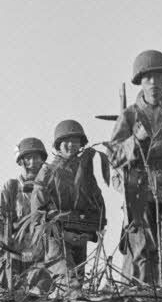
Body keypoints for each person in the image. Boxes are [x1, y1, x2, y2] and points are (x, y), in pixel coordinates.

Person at [108, 50, 162, 286]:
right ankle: (146, 297)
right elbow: (113, 156)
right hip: (141, 188)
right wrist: (136, 141)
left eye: (158, 77)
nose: (154, 83)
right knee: (143, 250)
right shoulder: (129, 115)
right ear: (140, 82)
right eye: (148, 78)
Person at [29, 119, 107, 291]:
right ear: (58, 145)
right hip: (56, 236)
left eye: (76, 141)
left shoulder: (85, 172)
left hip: (81, 233)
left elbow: (97, 204)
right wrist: (61, 233)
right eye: (67, 141)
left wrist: (89, 233)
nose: (72, 145)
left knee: (79, 280)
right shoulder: (47, 172)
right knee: (69, 281)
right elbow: (38, 215)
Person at [0, 137, 49, 289]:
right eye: (28, 158)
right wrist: (4, 246)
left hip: (40, 253)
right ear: (21, 162)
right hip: (14, 253)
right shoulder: (11, 187)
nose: (33, 163)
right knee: (11, 297)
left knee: (40, 295)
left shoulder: (50, 187)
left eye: (37, 158)